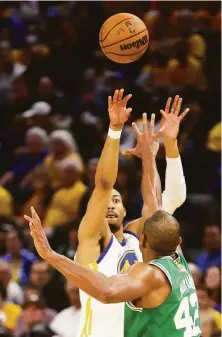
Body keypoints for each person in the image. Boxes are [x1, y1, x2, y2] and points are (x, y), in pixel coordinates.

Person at [25, 91, 188, 337]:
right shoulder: (93, 239)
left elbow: (157, 205)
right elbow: (103, 184)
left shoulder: (139, 237)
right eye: (107, 202)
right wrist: (114, 130)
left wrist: (152, 156)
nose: (110, 205)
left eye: (117, 200)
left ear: (125, 210)